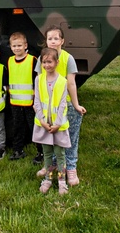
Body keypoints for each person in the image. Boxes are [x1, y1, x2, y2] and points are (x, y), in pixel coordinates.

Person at [35, 26, 87, 186]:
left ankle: (71, 168)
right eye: (49, 38)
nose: (53, 41)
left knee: (69, 138)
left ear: (62, 41)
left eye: (56, 38)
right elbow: (39, 81)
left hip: (65, 105)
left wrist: (76, 104)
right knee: (50, 139)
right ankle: (51, 166)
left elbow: (71, 83)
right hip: (48, 108)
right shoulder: (41, 58)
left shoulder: (67, 58)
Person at [33, 47, 71, 195]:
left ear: (57, 62)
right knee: (47, 153)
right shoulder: (39, 79)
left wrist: (57, 124)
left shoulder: (62, 81)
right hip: (44, 125)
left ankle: (62, 181)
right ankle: (48, 179)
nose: (47, 65)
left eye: (49, 62)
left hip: (58, 126)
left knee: (60, 154)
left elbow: (62, 104)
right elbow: (36, 101)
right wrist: (42, 120)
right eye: (44, 62)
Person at [7, 32, 42, 162]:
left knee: (34, 126)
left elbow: (37, 80)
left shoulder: (32, 60)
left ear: (25, 45)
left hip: (30, 102)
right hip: (15, 102)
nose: (17, 48)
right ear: (11, 47)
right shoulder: (10, 61)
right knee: (17, 126)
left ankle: (41, 152)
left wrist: (36, 99)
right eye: (14, 46)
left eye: (19, 45)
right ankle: (18, 150)